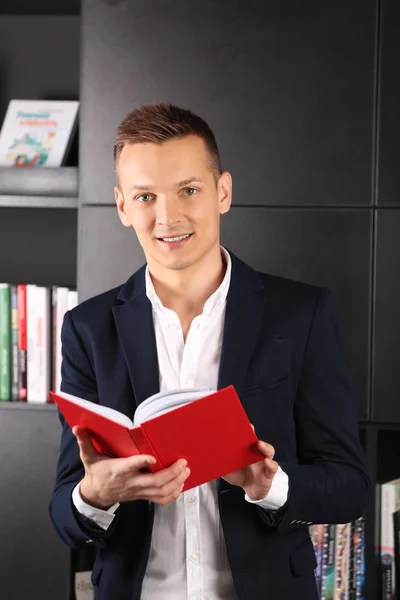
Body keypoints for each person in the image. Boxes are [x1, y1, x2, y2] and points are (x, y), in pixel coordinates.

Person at [49, 103, 371, 600]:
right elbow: (66, 518)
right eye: (145, 196)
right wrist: (95, 495)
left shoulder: (300, 314)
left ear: (223, 192)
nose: (167, 216)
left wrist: (271, 487)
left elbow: (349, 485)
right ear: (122, 206)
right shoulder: (87, 329)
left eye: (188, 190)